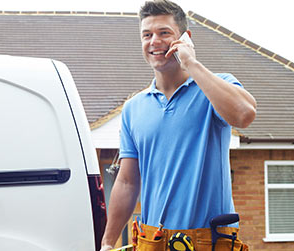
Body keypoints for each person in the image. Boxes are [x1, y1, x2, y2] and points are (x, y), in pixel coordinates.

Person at [100, 0, 256, 250]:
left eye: (164, 33)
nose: (154, 41)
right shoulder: (134, 108)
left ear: (185, 38)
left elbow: (245, 115)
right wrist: (107, 242)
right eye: (147, 35)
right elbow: (128, 182)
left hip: (209, 241)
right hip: (154, 242)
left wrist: (191, 63)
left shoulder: (214, 87)